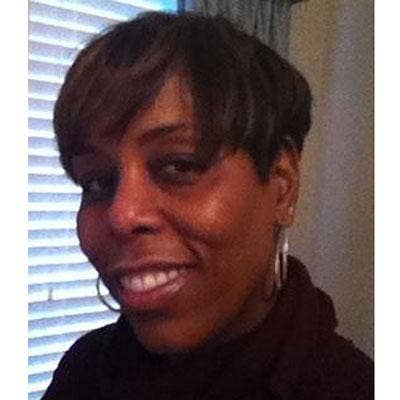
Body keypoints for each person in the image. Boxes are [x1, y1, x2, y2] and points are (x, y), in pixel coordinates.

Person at [42, 11, 373, 400]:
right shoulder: (84, 371)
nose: (122, 215)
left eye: (179, 166)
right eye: (97, 182)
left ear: (282, 187)